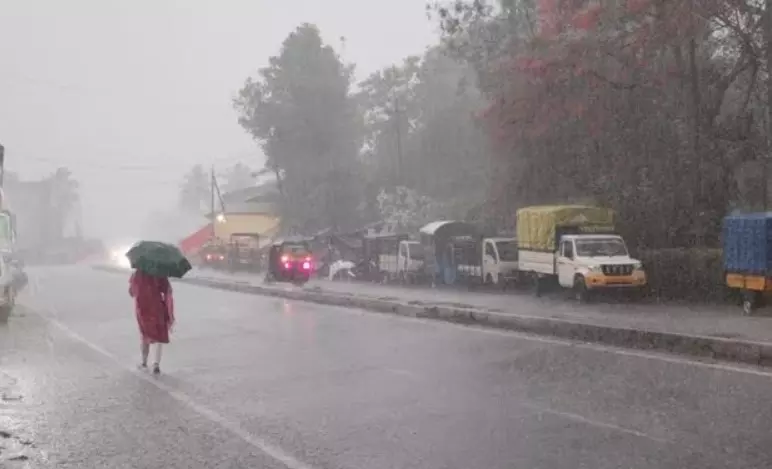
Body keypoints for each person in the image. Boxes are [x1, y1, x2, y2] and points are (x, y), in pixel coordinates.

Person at [128, 270, 174, 374]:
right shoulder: (160, 273)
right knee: (159, 335)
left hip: (142, 308)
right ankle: (156, 364)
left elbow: (131, 292)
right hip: (157, 307)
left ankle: (144, 362)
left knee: (145, 334)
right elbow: (166, 289)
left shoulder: (137, 274)